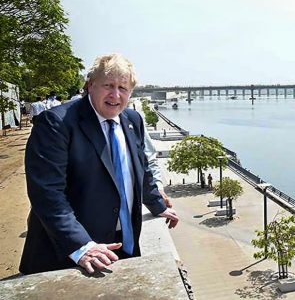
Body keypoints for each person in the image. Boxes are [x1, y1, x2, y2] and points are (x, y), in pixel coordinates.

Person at [20, 53, 179, 275]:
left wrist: (158, 205)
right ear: (90, 85)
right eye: (108, 85)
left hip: (122, 243)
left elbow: (139, 170)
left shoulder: (132, 120)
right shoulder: (57, 123)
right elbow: (47, 193)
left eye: (123, 88)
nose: (115, 95)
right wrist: (80, 245)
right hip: (70, 254)